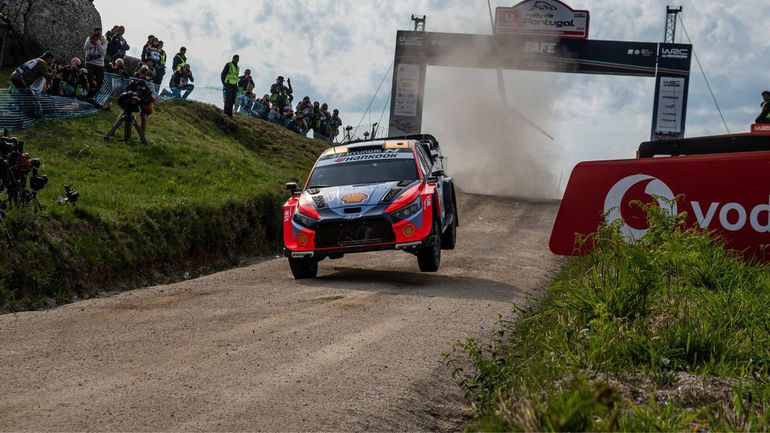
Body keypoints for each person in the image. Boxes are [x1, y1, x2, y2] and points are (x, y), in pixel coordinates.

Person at [84, 27, 108, 98]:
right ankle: (89, 95)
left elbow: (102, 51)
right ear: (94, 32)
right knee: (90, 79)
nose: (97, 33)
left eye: (99, 32)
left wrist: (97, 41)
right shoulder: (89, 38)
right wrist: (90, 39)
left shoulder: (104, 40)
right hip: (90, 61)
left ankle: (93, 95)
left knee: (100, 80)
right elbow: (86, 47)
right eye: (96, 31)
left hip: (99, 64)